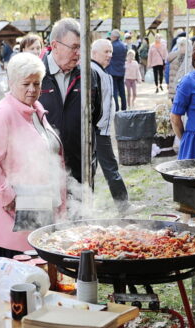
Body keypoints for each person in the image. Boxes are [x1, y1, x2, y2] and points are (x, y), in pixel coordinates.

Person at [0, 53, 66, 259]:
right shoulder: (3, 114)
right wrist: (7, 196)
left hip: (37, 206)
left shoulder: (36, 110)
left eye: (37, 83)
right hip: (12, 219)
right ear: (12, 83)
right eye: (26, 84)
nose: (32, 90)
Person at [38, 18, 102, 186]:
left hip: (81, 167)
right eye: (74, 47)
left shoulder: (89, 75)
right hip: (44, 169)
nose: (79, 53)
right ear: (55, 45)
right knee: (49, 212)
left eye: (81, 47)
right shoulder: (35, 75)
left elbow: (95, 115)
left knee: (81, 212)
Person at [90, 39, 143, 215]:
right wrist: (96, 126)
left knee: (100, 169)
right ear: (94, 53)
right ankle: (123, 206)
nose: (110, 55)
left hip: (101, 130)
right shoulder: (92, 72)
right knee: (108, 168)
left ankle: (90, 208)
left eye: (111, 51)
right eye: (106, 51)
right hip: (96, 131)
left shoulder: (101, 71)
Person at [106, 29, 127, 111]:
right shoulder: (123, 45)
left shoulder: (112, 46)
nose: (110, 37)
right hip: (121, 70)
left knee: (114, 90)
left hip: (112, 70)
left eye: (111, 35)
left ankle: (116, 108)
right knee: (122, 90)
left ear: (114, 36)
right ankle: (124, 107)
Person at [167, 36, 190, 101]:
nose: (184, 47)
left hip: (183, 87)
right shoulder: (175, 57)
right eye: (182, 45)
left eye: (185, 45)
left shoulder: (189, 57)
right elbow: (167, 71)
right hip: (175, 87)